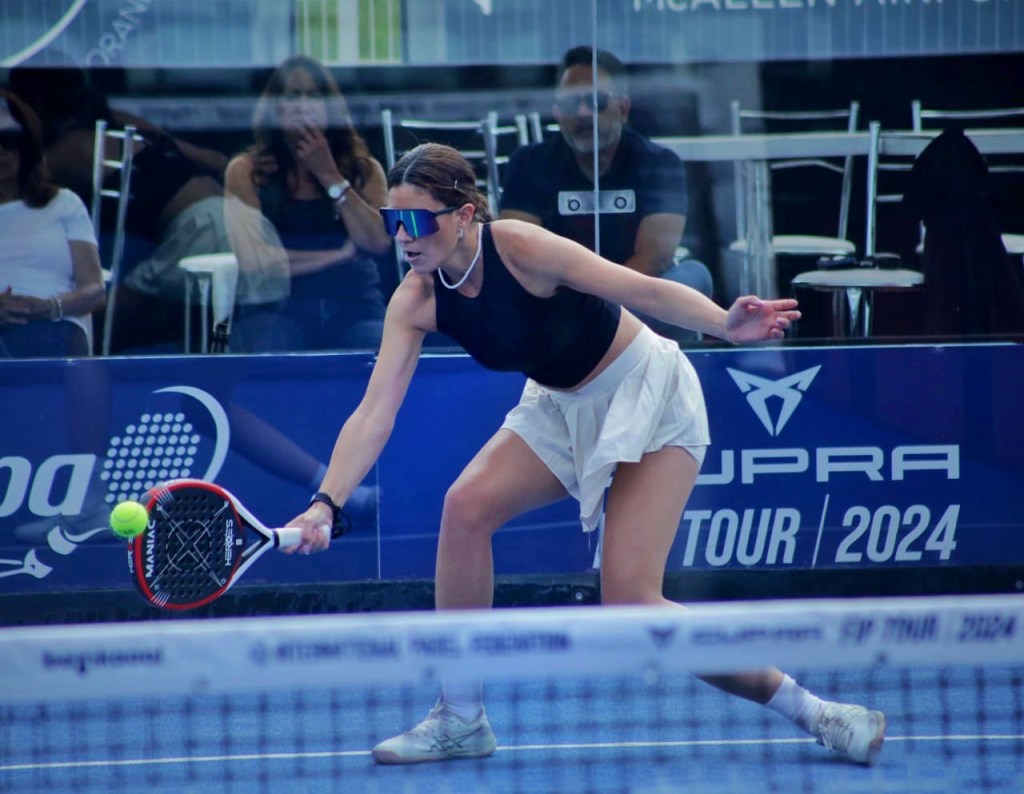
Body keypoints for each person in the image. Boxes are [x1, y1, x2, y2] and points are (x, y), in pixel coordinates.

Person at [283, 143, 886, 767]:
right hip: (558, 406)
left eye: (416, 220)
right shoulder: (415, 300)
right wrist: (326, 504)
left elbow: (641, 288)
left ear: (463, 215)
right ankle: (460, 716)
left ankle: (817, 712)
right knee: (465, 508)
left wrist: (723, 325)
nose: (404, 237)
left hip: (647, 392)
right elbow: (373, 415)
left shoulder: (519, 248)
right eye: (393, 221)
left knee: (631, 602)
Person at [8, 66, 232, 354]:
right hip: (236, 221)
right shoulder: (124, 125)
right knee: (192, 327)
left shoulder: (71, 148)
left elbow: (11, 193)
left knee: (94, 325)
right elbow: (215, 160)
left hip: (202, 231)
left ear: (34, 105)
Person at [500, 46, 714, 343]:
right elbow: (520, 253)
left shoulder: (658, 162)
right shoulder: (529, 164)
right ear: (558, 113)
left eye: (597, 101)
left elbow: (655, 257)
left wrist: (597, 307)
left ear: (623, 109)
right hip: (558, 303)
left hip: (633, 300)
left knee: (694, 276)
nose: (583, 113)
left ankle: (598, 333)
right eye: (572, 103)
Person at [224, 55, 392, 352]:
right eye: (293, 96)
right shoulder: (246, 171)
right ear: (275, 108)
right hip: (278, 310)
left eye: (313, 96)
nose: (303, 106)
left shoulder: (364, 170)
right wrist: (338, 256)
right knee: (275, 348)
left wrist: (329, 175)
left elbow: (379, 241)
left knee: (377, 347)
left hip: (355, 308)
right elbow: (256, 263)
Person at [0, 89, 105, 358]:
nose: (1, 152)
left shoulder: (64, 203)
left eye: (9, 141)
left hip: (52, 323)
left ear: (27, 148)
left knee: (47, 341)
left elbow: (94, 289)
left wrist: (49, 307)